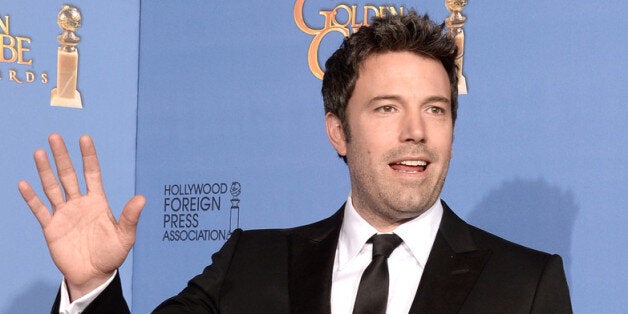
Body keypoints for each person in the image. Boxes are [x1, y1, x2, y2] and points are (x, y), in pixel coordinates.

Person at [19, 12, 572, 313]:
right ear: (338, 131)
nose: (416, 133)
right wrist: (90, 287)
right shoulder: (250, 263)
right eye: (387, 109)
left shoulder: (523, 283)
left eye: (436, 109)